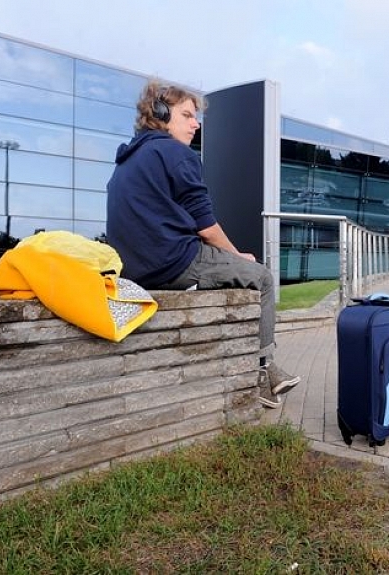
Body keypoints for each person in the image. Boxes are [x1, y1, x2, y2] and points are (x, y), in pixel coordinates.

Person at [106, 81, 299, 409]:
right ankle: (263, 374)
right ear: (161, 114)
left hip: (138, 271)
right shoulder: (174, 153)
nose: (196, 124)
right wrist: (237, 255)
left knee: (236, 275)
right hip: (174, 262)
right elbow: (207, 228)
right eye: (187, 115)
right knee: (261, 277)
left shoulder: (126, 163)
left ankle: (261, 369)